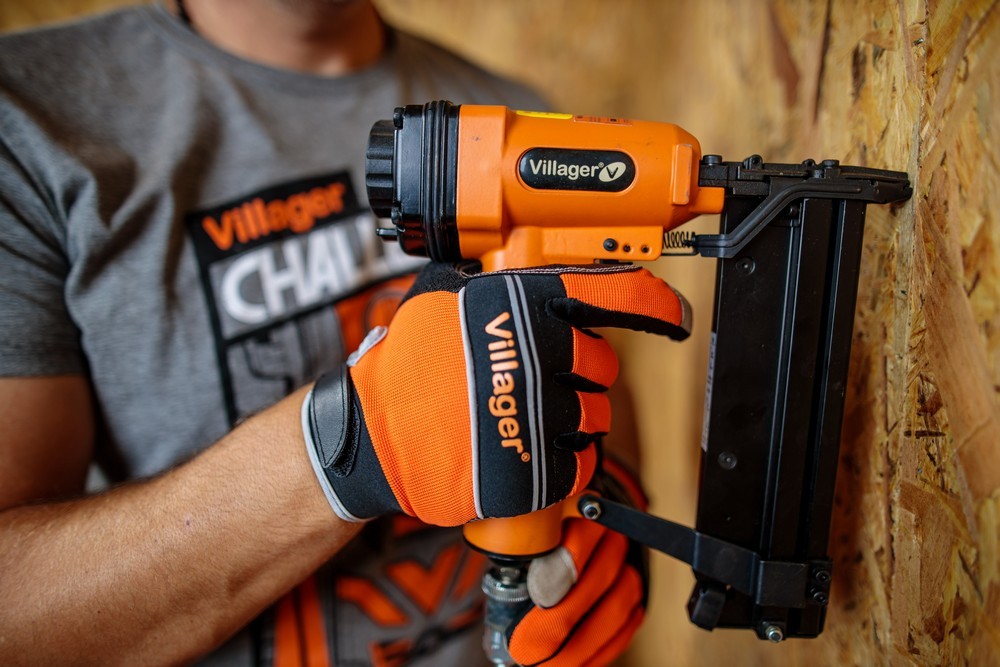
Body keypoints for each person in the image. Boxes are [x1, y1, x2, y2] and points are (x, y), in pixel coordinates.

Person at [0, 1, 685, 664]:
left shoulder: (516, 119)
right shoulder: (28, 121)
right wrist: (351, 445)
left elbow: (588, 374)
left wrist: (612, 500)